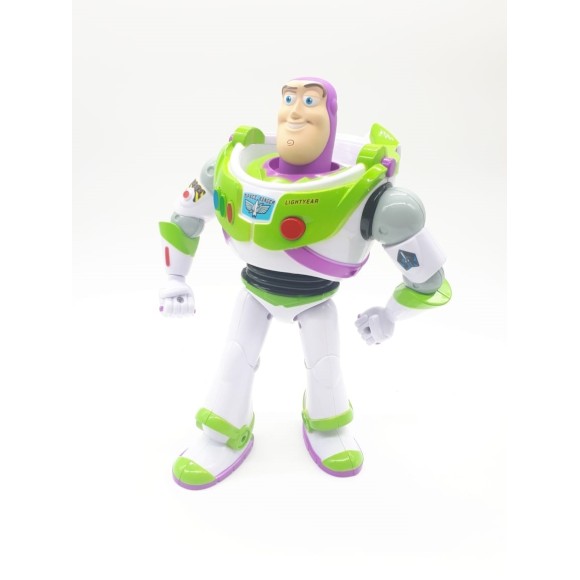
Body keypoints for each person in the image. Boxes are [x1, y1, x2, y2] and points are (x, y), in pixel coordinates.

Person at [159, 77, 451, 489]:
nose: (295, 110)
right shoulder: (229, 170)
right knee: (234, 359)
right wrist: (175, 278)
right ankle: (223, 432)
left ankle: (327, 426)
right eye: (288, 98)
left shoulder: (372, 196)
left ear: (329, 115)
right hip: (255, 292)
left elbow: (428, 278)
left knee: (325, 366)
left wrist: (390, 315)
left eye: (310, 100)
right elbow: (184, 218)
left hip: (316, 299)